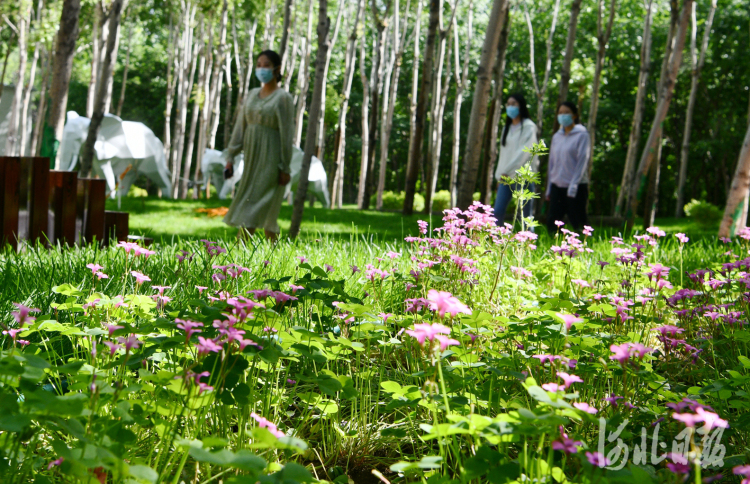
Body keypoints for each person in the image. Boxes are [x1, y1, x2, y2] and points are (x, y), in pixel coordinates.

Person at [223, 50, 294, 242]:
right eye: (259, 65)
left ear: (276, 69)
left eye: (266, 65)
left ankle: (239, 250)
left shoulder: (283, 98)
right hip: (252, 158)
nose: (262, 69)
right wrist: (230, 157)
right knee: (264, 207)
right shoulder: (252, 95)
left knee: (254, 203)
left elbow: (287, 136)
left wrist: (285, 167)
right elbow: (240, 127)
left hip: (271, 159)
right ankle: (275, 252)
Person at [493, 93, 539, 226]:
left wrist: (506, 171)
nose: (510, 107)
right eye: (508, 104)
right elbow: (503, 155)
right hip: (505, 177)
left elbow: (524, 153)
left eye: (513, 104)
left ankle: (528, 244)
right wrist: (499, 175)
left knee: (525, 215)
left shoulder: (529, 126)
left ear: (521, 106)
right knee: (497, 212)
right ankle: (498, 242)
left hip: (523, 176)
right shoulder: (506, 128)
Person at [545, 101, 590, 234]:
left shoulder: (582, 134)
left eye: (566, 113)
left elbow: (582, 161)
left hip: (576, 187)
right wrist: (549, 187)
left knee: (578, 222)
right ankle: (556, 248)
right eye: (560, 113)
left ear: (574, 115)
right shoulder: (556, 136)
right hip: (557, 185)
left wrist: (574, 185)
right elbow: (552, 163)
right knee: (553, 223)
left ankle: (585, 246)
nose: (563, 116)